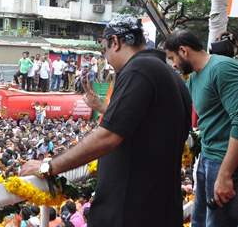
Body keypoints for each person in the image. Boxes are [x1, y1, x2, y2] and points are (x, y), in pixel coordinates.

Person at [20, 15, 191, 227]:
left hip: (131, 211)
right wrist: (102, 107)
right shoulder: (170, 74)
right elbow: (141, 126)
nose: (106, 59)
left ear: (116, 42)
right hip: (160, 208)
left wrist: (48, 167)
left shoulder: (139, 69)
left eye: (105, 50)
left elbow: (108, 136)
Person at [164, 30, 238, 226]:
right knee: (199, 221)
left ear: (183, 51)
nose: (173, 64)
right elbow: (177, 114)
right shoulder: (195, 78)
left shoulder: (222, 68)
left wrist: (225, 174)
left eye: (172, 58)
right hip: (207, 159)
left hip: (224, 163)